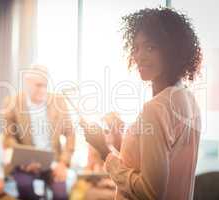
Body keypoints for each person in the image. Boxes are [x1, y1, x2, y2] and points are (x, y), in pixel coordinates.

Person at [81, 8, 202, 200]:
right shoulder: (188, 99)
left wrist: (104, 151)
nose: (139, 56)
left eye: (150, 47)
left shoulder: (156, 108)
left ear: (172, 51)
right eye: (136, 48)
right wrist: (121, 141)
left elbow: (150, 193)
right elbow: (157, 163)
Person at [3, 65, 75, 200]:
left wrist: (63, 163)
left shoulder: (58, 101)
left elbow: (70, 134)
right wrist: (24, 158)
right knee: (24, 187)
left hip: (53, 163)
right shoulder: (12, 102)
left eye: (45, 85)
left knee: (61, 194)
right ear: (27, 83)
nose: (42, 89)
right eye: (38, 85)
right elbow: (9, 137)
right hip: (26, 164)